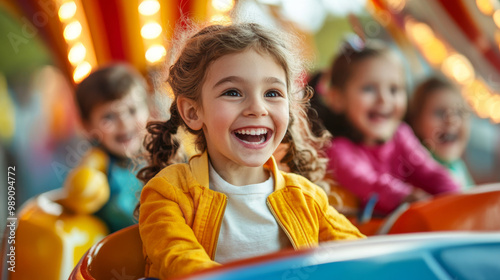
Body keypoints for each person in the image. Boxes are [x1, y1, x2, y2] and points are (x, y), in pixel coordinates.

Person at [137, 22, 365, 279]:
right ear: (192, 111)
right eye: (233, 92)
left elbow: (361, 257)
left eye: (272, 93)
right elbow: (180, 261)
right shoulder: (169, 193)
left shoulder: (306, 197)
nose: (257, 108)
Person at [322, 38, 460, 216]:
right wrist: (403, 196)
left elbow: (428, 170)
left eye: (394, 89)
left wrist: (456, 194)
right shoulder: (337, 151)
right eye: (369, 89)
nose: (384, 99)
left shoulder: (401, 135)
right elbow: (366, 182)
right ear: (337, 98)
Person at [67, 63, 150, 232]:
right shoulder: (98, 164)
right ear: (87, 126)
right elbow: (80, 195)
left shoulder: (161, 152)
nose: (124, 123)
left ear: (149, 109)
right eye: (109, 117)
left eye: (132, 110)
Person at [407, 76, 474, 190]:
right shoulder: (418, 168)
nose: (451, 120)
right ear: (416, 121)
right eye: (439, 113)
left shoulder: (459, 167)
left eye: (459, 113)